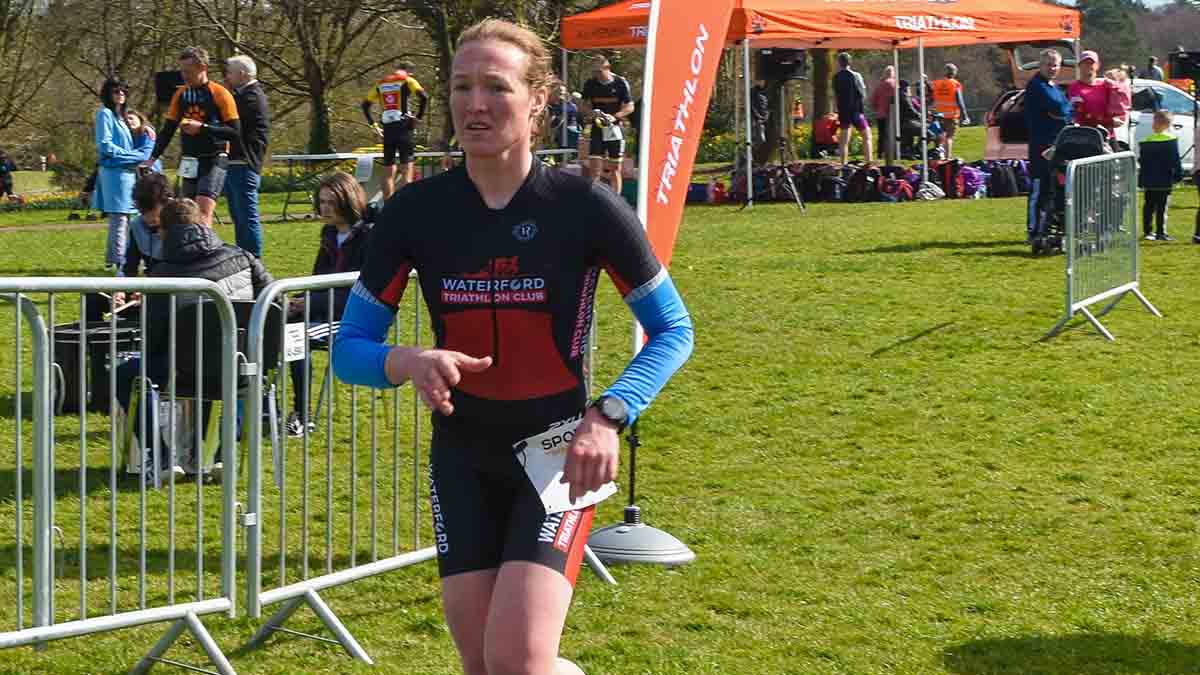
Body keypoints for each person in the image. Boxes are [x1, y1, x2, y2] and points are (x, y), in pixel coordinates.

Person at [332, 18, 693, 675]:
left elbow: (674, 328)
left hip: (558, 454)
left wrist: (608, 415)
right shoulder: (415, 211)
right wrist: (406, 360)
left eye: (496, 87)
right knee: (483, 666)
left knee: (518, 662)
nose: (475, 104)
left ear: (537, 101)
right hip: (462, 455)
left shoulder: (586, 206)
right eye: (462, 86)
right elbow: (348, 348)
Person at [116, 197, 273, 480]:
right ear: (203, 222)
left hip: (183, 372)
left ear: (164, 232)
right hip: (243, 367)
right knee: (227, 367)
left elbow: (153, 341)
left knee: (126, 374)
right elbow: (273, 304)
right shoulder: (244, 259)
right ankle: (224, 452)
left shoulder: (161, 276)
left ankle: (160, 456)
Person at [284, 172, 374, 437]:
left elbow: (359, 292)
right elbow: (318, 282)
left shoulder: (369, 237)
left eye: (331, 203)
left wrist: (309, 303)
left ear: (348, 201)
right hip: (324, 310)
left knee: (295, 335)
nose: (325, 208)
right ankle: (266, 406)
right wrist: (295, 301)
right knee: (277, 320)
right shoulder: (328, 234)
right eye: (322, 202)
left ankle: (302, 415)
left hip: (353, 318)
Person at [146, 46, 242, 226]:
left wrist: (203, 128)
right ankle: (192, 244)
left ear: (203, 68)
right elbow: (167, 130)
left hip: (214, 158)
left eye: (188, 71)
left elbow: (235, 132)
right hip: (190, 160)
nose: (184, 76)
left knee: (203, 212)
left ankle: (205, 244)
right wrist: (152, 158)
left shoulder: (220, 93)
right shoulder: (181, 94)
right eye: (182, 71)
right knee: (187, 214)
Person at [94, 78, 151, 273]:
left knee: (126, 217)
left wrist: (145, 132)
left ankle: (115, 258)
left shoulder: (121, 117)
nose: (120, 95)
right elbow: (105, 145)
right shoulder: (105, 114)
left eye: (123, 91)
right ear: (108, 94)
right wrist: (132, 157)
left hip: (126, 173)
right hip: (115, 174)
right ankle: (121, 262)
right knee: (120, 218)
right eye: (116, 91)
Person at [223, 54, 271, 258]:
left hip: (243, 163)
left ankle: (253, 259)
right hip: (237, 163)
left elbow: (231, 123)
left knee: (246, 217)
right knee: (240, 217)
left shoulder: (251, 97)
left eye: (230, 73)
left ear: (242, 74)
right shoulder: (244, 96)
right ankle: (246, 257)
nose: (227, 77)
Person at [363, 59, 429, 201]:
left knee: (388, 170)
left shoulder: (381, 83)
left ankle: (388, 206)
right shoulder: (408, 80)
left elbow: (365, 105)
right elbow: (424, 97)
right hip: (404, 127)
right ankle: (405, 206)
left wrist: (374, 126)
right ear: (409, 71)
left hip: (388, 129)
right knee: (407, 168)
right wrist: (418, 118)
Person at [1024, 49, 1072, 243]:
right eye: (1048, 64)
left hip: (1057, 144)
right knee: (1040, 187)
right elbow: (1059, 108)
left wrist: (1065, 110)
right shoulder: (1036, 85)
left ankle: (1049, 227)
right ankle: (1033, 230)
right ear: (1040, 65)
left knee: (1055, 189)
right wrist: (1065, 110)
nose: (1052, 68)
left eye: (1055, 65)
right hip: (1041, 145)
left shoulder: (1054, 87)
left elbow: (1067, 109)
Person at [580, 56, 634, 193]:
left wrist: (615, 116)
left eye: (598, 71)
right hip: (597, 128)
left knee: (615, 168)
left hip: (614, 129)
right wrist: (591, 113)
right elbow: (583, 106)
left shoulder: (620, 82)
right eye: (593, 71)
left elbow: (630, 106)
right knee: (594, 168)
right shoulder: (590, 83)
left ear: (607, 68)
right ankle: (595, 198)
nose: (596, 74)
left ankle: (616, 198)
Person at [1138, 110, 1183, 241]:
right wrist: (1178, 175)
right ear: (1169, 124)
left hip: (1149, 179)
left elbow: (1142, 161)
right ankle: (1160, 232)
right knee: (1162, 207)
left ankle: (1147, 231)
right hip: (1165, 178)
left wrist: (1141, 178)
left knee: (1148, 205)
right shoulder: (1171, 140)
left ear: (1154, 123)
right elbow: (1175, 160)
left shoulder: (1146, 141)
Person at [1068, 51, 1125, 141]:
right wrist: (1109, 121)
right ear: (1079, 66)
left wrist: (1115, 85)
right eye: (1085, 63)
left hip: (1108, 135)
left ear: (1097, 65)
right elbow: (1081, 115)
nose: (1088, 66)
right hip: (1086, 136)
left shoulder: (1105, 85)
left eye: (1091, 63)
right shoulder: (1075, 88)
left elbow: (1119, 105)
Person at [832, 52, 873, 165]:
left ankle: (843, 163)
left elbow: (835, 95)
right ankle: (868, 161)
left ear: (839, 63)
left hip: (843, 111)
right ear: (849, 62)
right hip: (856, 111)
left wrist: (837, 108)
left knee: (844, 139)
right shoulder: (856, 75)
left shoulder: (835, 77)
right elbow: (862, 92)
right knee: (867, 135)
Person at [930, 63, 970, 159]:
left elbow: (931, 98)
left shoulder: (936, 83)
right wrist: (965, 116)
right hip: (951, 116)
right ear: (954, 73)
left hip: (939, 115)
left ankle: (939, 156)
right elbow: (959, 101)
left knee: (940, 135)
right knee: (949, 137)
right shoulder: (955, 84)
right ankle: (947, 158)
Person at [870, 66, 896, 162]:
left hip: (880, 113)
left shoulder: (879, 85)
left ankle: (880, 153)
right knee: (891, 134)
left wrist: (877, 109)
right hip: (891, 113)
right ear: (892, 73)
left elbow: (873, 100)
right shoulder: (894, 84)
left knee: (881, 134)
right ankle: (891, 152)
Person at [546, 84, 580, 152]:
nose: (561, 95)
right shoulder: (553, 106)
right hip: (559, 136)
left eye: (562, 92)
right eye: (559, 92)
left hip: (570, 135)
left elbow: (558, 121)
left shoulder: (570, 106)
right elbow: (552, 123)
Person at [896, 80, 924, 159]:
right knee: (927, 130)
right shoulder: (904, 96)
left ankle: (913, 150)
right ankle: (917, 149)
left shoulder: (899, 95)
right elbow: (910, 110)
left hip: (903, 122)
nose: (910, 89)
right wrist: (920, 116)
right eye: (908, 87)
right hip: (906, 122)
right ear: (905, 87)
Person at [750, 78, 770, 147]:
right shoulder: (753, 91)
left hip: (764, 118)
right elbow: (751, 105)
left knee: (763, 138)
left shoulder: (767, 90)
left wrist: (766, 115)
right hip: (756, 118)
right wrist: (758, 116)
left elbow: (769, 105)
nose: (762, 82)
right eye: (760, 81)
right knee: (758, 137)